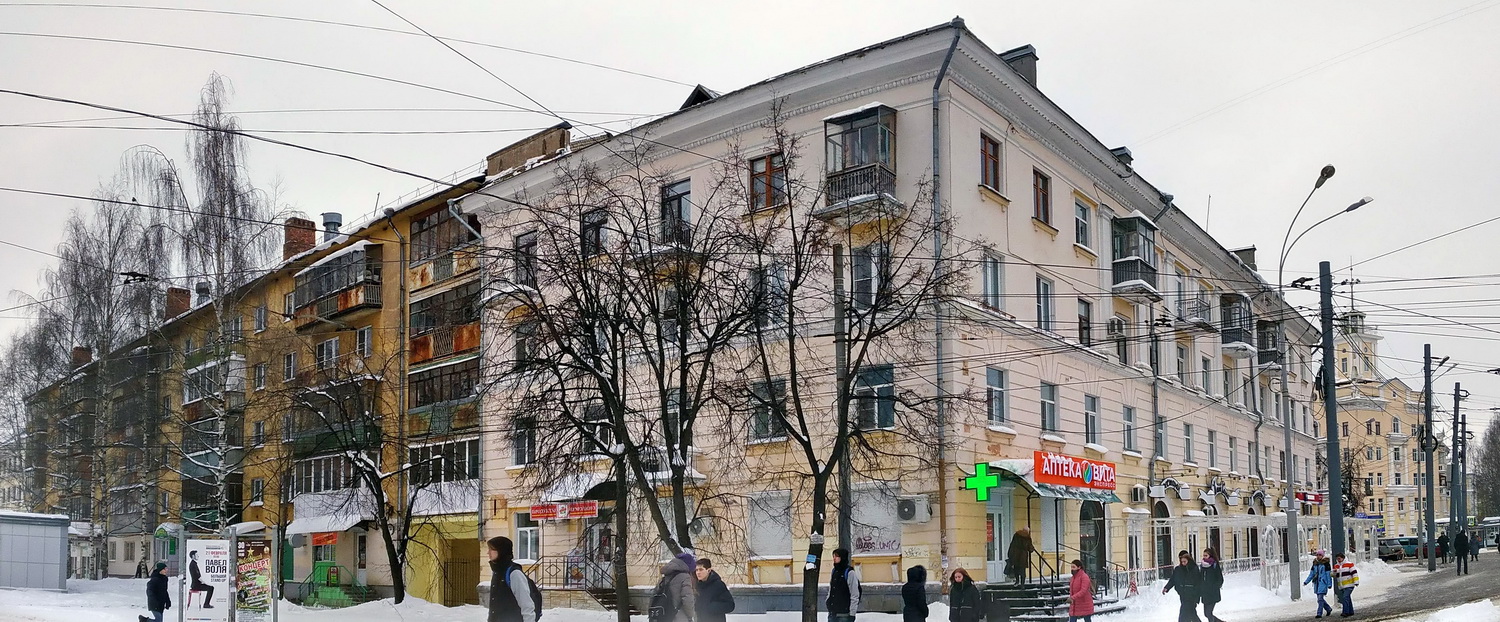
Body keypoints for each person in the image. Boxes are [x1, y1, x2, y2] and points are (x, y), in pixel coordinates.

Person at [486, 536, 537, 622]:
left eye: (491, 549)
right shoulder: (497, 571)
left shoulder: (514, 573)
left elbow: (527, 605)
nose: (488, 552)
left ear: (501, 551)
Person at [1163, 550, 1203, 622]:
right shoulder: (1178, 569)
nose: (1183, 563)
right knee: (1191, 614)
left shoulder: (1194, 568)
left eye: (1184, 561)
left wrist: (1196, 594)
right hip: (1183, 595)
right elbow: (1173, 579)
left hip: (1192, 596)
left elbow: (1198, 583)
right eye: (1181, 561)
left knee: (1184, 614)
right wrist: (1167, 587)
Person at [657, 552, 697, 622]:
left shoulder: (664, 578)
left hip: (663, 616)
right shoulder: (685, 577)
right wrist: (691, 615)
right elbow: (687, 599)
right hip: (678, 617)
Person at [695, 557, 735, 622]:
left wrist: (712, 607)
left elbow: (730, 605)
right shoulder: (697, 586)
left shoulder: (718, 585)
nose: (698, 572)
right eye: (696, 570)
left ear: (709, 570)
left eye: (701, 569)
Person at [826, 548, 861, 621]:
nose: (834, 558)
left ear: (842, 557)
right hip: (833, 613)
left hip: (844, 614)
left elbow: (854, 594)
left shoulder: (849, 572)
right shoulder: (834, 571)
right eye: (833, 556)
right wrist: (828, 601)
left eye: (837, 556)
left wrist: (852, 613)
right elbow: (831, 589)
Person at [1303, 550, 1334, 618]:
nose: (1318, 556)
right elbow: (1311, 574)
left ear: (1322, 556)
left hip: (1323, 583)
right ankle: (1328, 609)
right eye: (1317, 555)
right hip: (1316, 583)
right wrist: (1306, 581)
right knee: (1320, 599)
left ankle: (1319, 613)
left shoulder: (1326, 564)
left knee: (1320, 599)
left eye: (1320, 555)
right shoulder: (1315, 564)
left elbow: (1328, 575)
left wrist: (1329, 584)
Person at [1199, 548, 1225, 622]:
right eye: (1203, 555)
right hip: (1205, 593)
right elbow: (1201, 578)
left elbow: (1220, 579)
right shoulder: (1202, 565)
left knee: (1208, 613)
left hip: (1212, 593)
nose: (1204, 557)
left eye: (1206, 555)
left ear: (1210, 556)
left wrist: (1214, 587)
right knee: (1206, 614)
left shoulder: (1214, 565)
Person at [1333, 552, 1359, 618]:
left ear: (1343, 558)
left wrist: (1356, 581)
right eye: (1337, 559)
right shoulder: (1336, 566)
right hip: (1342, 585)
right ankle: (1351, 611)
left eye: (1339, 558)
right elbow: (1334, 575)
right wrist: (1334, 572)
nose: (1338, 560)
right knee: (1347, 598)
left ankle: (1345, 612)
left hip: (1349, 584)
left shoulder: (1349, 564)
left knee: (1345, 597)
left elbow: (1354, 573)